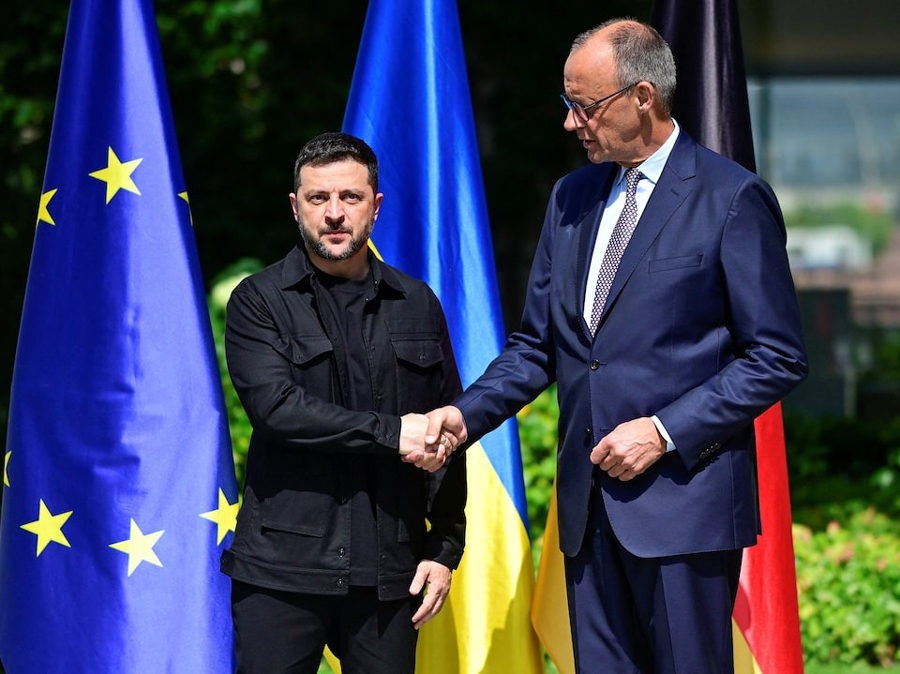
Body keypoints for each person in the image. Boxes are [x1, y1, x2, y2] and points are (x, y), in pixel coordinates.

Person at [416, 19, 807, 674]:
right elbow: (538, 345)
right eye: (567, 105)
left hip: (684, 510)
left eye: (585, 106)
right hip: (587, 515)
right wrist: (462, 418)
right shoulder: (570, 199)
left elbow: (776, 354)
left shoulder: (731, 198)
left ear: (643, 97)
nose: (572, 124)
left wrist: (662, 431)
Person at [221, 132, 466, 674]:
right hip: (281, 574)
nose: (334, 213)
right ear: (295, 206)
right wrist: (392, 432)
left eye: (350, 198)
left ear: (375, 206)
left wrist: (444, 548)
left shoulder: (417, 302)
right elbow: (277, 409)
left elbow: (447, 430)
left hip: (390, 573)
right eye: (318, 198)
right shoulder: (258, 301)